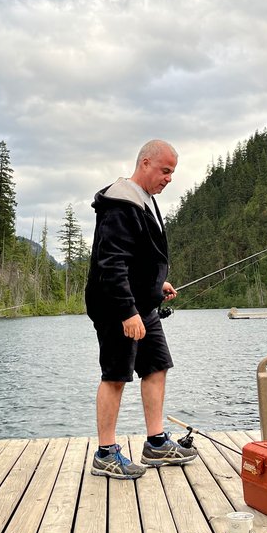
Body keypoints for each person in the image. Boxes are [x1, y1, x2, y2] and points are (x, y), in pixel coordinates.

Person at [84, 139, 199, 479]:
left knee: (156, 366)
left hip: (141, 304)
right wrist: (127, 312)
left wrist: (155, 285)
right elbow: (112, 263)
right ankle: (105, 453)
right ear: (145, 163)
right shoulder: (120, 204)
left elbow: (138, 257)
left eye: (172, 173)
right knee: (115, 375)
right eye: (165, 171)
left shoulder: (143, 201)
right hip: (115, 308)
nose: (169, 178)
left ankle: (156, 443)